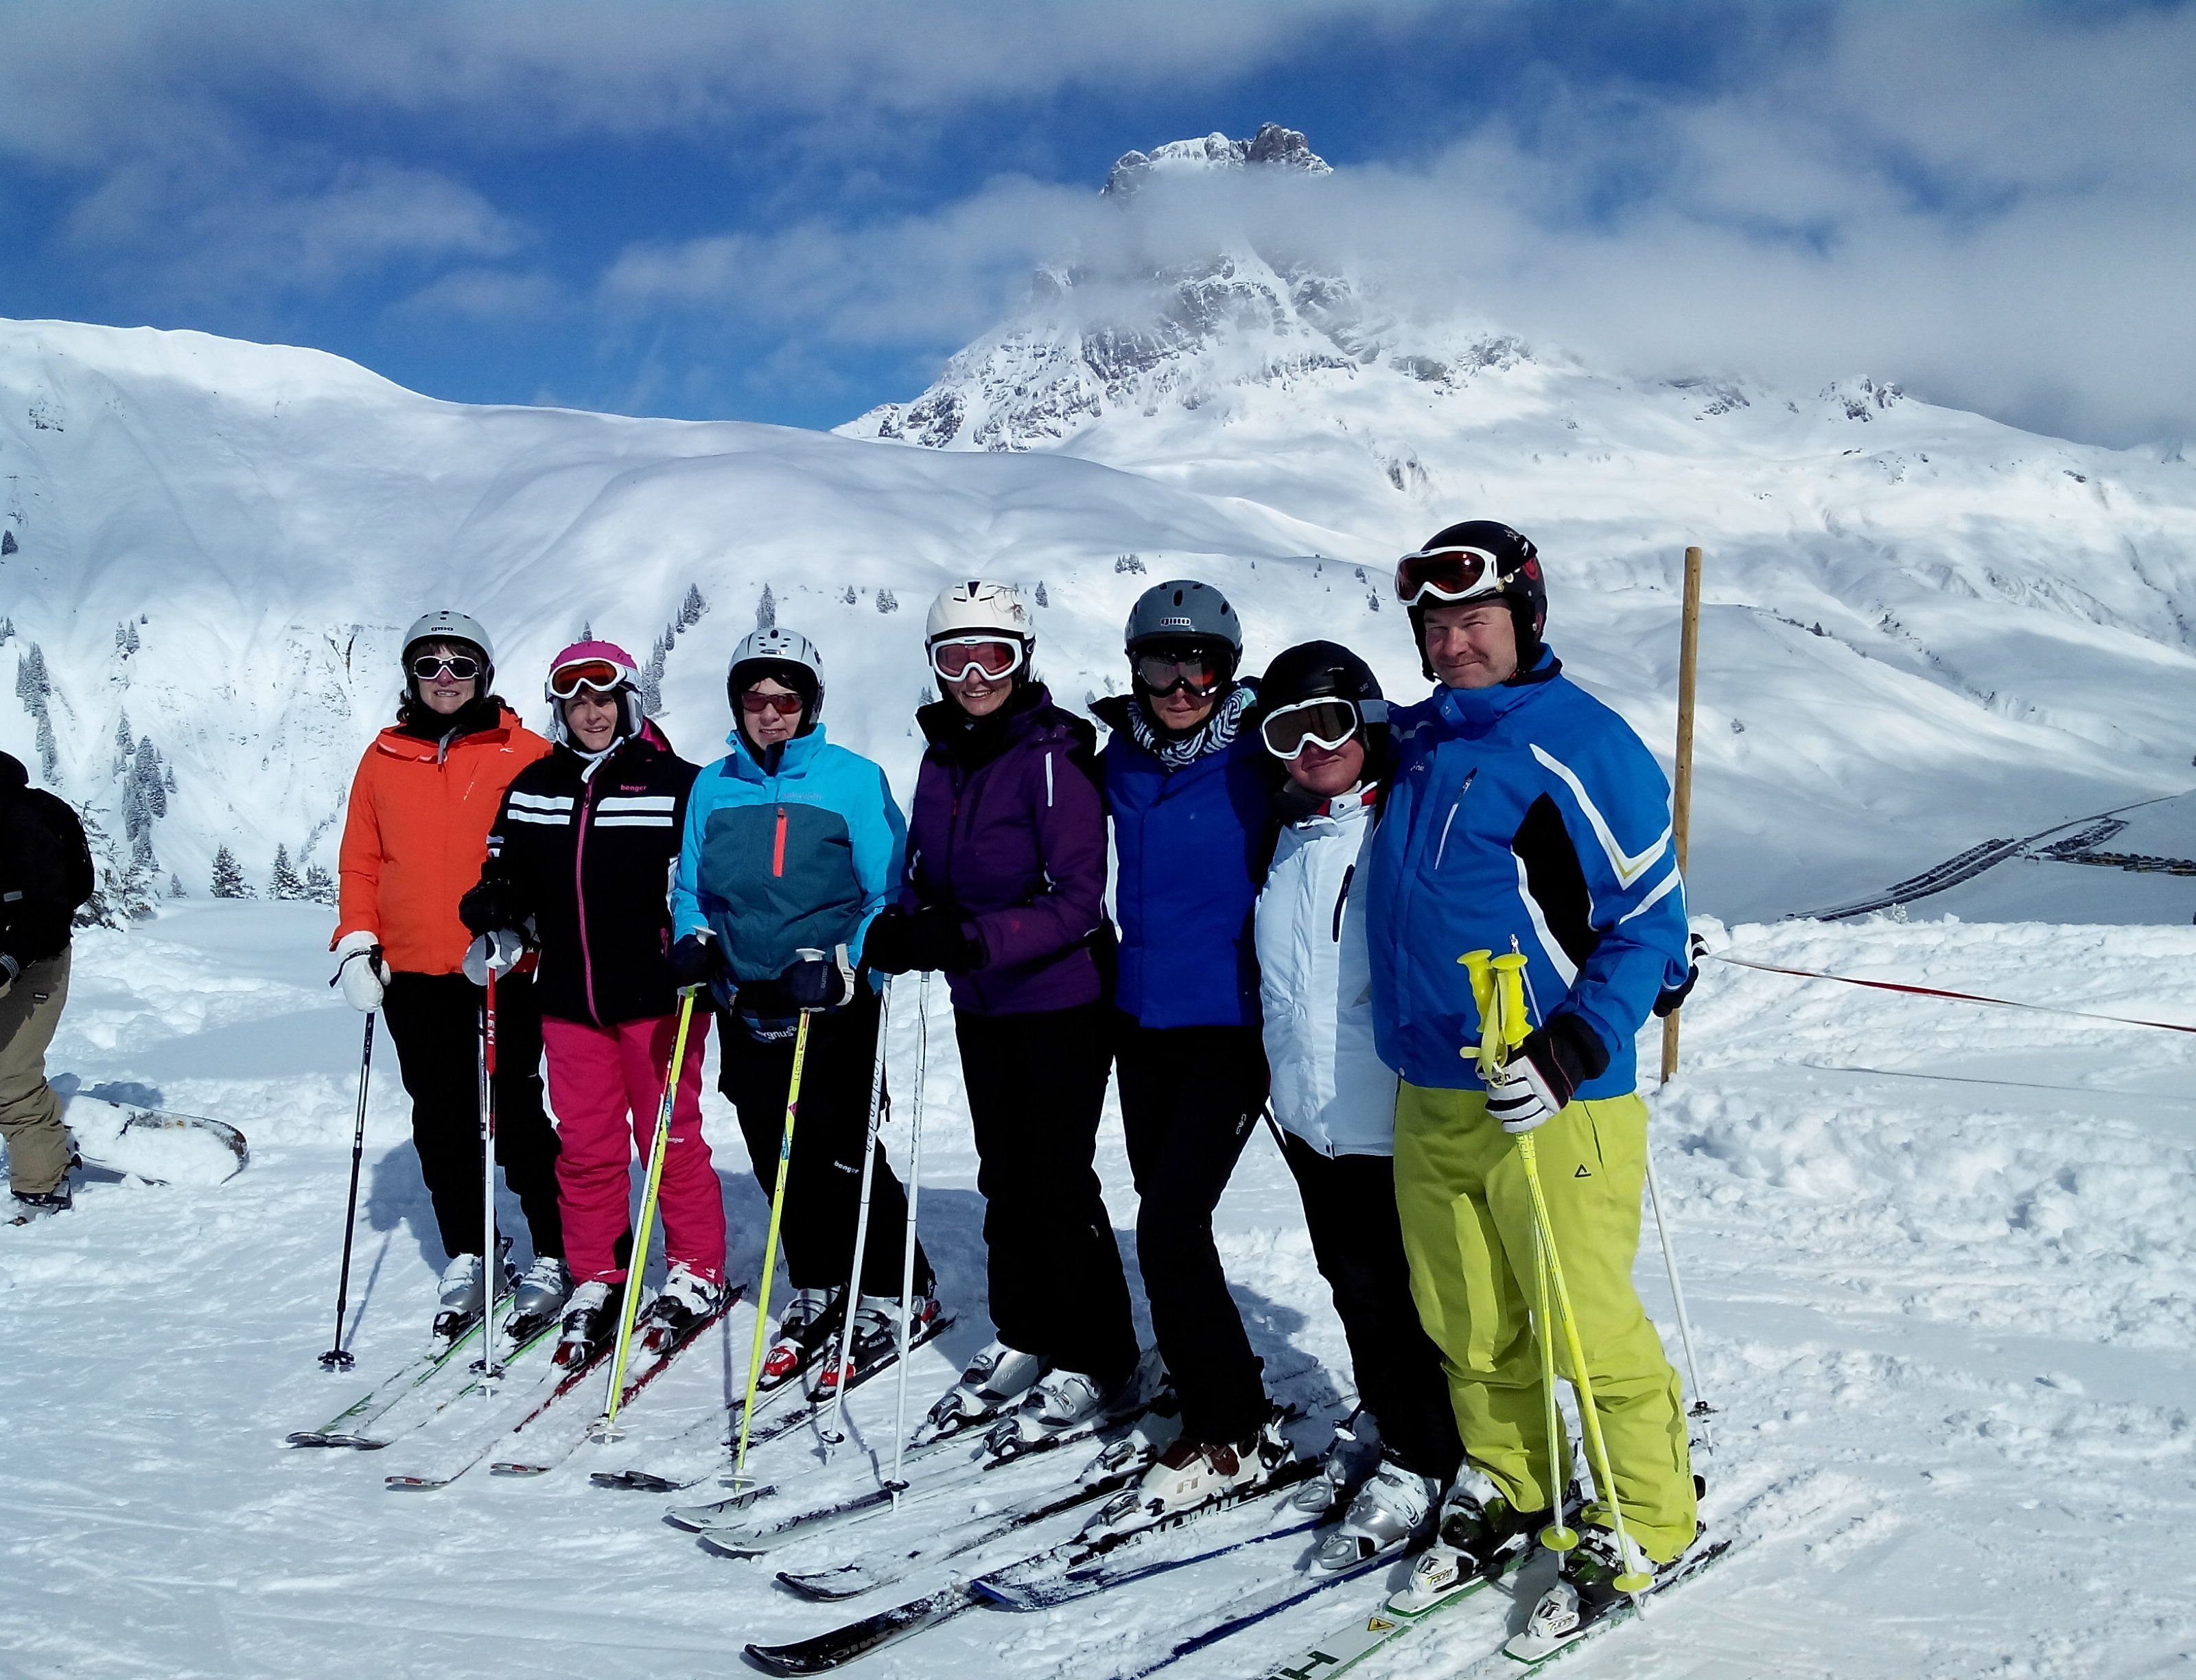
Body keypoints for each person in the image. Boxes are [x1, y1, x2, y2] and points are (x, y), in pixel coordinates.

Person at [1363, 520, 1700, 1633]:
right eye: (1437, 626)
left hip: (1553, 1092)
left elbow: (1651, 920)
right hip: (1430, 1081)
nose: (1456, 643)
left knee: (1581, 1319)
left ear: (1527, 619)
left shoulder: (1579, 743)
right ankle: (1514, 1480)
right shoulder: (1419, 739)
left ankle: (1649, 1515)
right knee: (1466, 1313)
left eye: (1477, 621)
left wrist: (1572, 1046)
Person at [866, 583, 1140, 1442]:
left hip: (1059, 999)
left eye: (994, 657)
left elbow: (1076, 902)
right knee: (1003, 1176)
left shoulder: (1052, 758)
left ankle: (1100, 1355)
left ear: (1023, 662)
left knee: (1055, 1182)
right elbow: (926, 865)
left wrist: (967, 940)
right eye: (955, 658)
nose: (974, 675)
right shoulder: (943, 755)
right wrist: (908, 919)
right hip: (982, 999)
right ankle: (1027, 1329)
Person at [668, 627, 936, 1399]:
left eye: (786, 700)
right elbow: (694, 888)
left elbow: (888, 896)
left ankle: (894, 1285)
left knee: (840, 1145)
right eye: (754, 700)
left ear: (809, 706)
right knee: (770, 1149)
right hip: (745, 996)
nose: (769, 714)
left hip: (833, 998)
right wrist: (694, 939)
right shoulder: (714, 787)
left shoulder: (852, 779)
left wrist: (847, 962)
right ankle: (818, 1281)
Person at [1250, 642, 1464, 1569]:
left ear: (1368, 722)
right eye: (1288, 730)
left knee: (1409, 1297)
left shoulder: (1401, 827)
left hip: (1388, 1113)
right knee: (1354, 1288)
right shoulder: (1285, 838)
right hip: (1307, 1116)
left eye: (1331, 722)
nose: (1312, 745)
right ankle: (1391, 1418)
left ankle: (1432, 1455)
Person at [458, 642, 723, 1365]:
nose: (591, 713)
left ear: (628, 703)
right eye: (576, 702)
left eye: (603, 700)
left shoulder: (677, 784)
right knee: (586, 1146)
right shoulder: (534, 784)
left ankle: (696, 1267)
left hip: (656, 997)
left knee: (667, 1139)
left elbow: (707, 879)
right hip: (569, 997)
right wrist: (498, 899)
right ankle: (599, 1273)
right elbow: (507, 864)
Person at [1090, 579, 1289, 1523]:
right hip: (1141, 1019)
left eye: (1200, 662)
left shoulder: (1263, 753)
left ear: (1228, 668)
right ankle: (1211, 1365)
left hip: (1230, 1024)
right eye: (1162, 661)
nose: (1181, 682)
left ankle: (1231, 1427)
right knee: (1163, 1215)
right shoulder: (1120, 757)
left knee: (1169, 1225)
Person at [331, 611, 566, 1340]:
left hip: (499, 966)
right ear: (409, 676)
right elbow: (361, 860)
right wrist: (356, 942)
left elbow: (549, 860)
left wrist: (523, 930)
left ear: (483, 675)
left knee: (516, 1112)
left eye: (459, 665)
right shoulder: (384, 757)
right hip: (414, 968)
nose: (443, 678)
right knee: (439, 1117)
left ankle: (557, 1251)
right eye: (428, 665)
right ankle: (471, 1248)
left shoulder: (524, 753)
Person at [1, 750, 95, 1223]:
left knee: (9, 1077)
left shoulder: (22, 823)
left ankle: (44, 1188)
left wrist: (10, 958)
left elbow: (50, 907)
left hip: (36, 960)